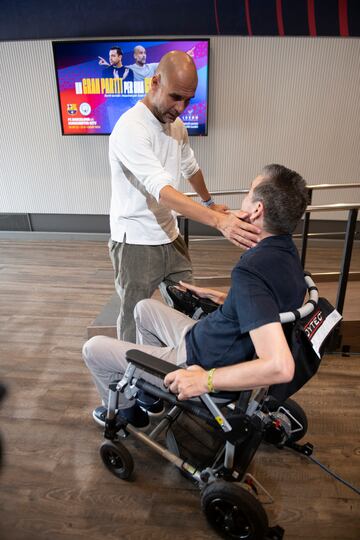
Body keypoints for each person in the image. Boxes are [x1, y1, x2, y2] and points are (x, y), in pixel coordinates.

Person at [83, 164, 309, 429]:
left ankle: (126, 414)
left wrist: (206, 380)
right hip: (209, 339)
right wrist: (229, 301)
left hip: (200, 362)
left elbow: (280, 366)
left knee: (94, 348)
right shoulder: (286, 253)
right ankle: (149, 394)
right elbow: (271, 303)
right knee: (144, 307)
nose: (244, 198)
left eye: (249, 192)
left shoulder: (251, 270)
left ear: (257, 209)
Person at [108, 50, 259, 342]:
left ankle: (185, 362)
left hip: (170, 234)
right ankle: (124, 376)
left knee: (188, 303)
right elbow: (162, 191)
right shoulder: (130, 128)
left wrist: (210, 203)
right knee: (132, 314)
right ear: (154, 83)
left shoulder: (176, 125)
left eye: (188, 100)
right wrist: (218, 221)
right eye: (176, 97)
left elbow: (190, 165)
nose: (181, 107)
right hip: (135, 242)